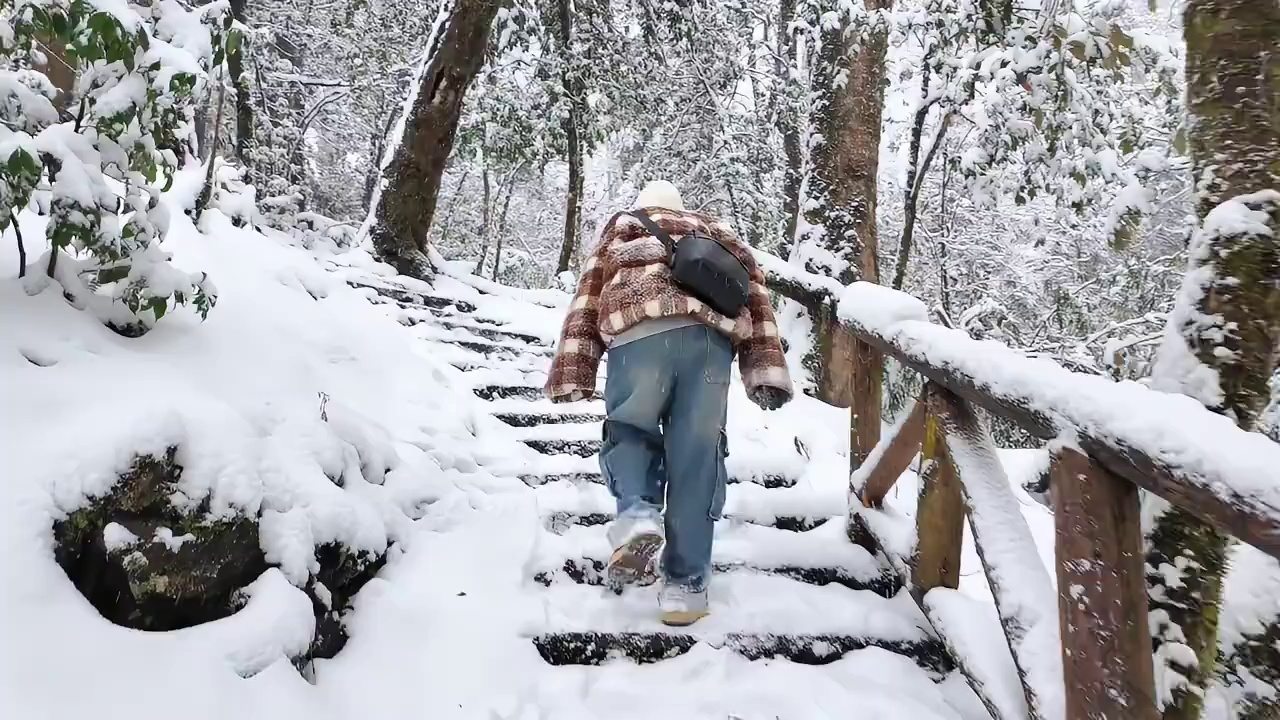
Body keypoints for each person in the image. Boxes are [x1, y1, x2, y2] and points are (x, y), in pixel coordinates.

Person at [544, 180, 793, 626]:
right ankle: (686, 587)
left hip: (639, 337)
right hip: (710, 344)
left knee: (630, 430)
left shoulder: (624, 226)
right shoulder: (718, 231)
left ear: (644, 207)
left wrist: (573, 371)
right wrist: (764, 372)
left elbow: (588, 296)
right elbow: (757, 299)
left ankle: (639, 512)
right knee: (699, 458)